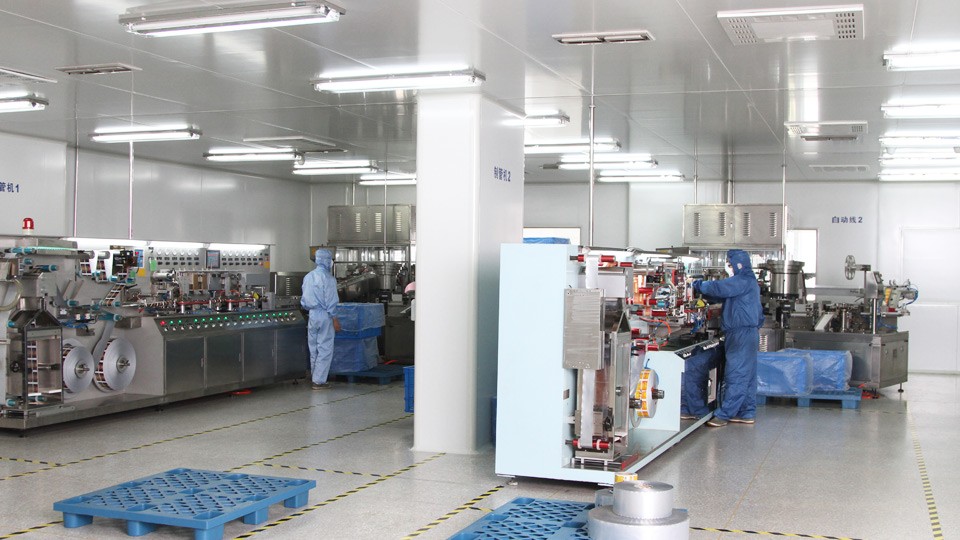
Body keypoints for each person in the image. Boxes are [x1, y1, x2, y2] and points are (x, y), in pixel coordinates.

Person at [692, 249, 764, 427]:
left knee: (736, 374)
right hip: (747, 333)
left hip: (740, 334)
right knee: (747, 376)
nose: (729, 268)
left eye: (730, 264)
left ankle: (724, 414)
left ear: (738, 264)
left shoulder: (742, 280)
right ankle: (746, 412)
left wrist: (698, 285)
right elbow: (722, 294)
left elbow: (719, 287)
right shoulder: (749, 282)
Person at [301, 250, 341, 389]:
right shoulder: (328, 279)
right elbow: (331, 300)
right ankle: (319, 381)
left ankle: (314, 376)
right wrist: (334, 318)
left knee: (313, 348)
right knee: (325, 347)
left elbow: (304, 300)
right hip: (325, 315)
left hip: (312, 315)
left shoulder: (308, 277)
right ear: (327, 260)